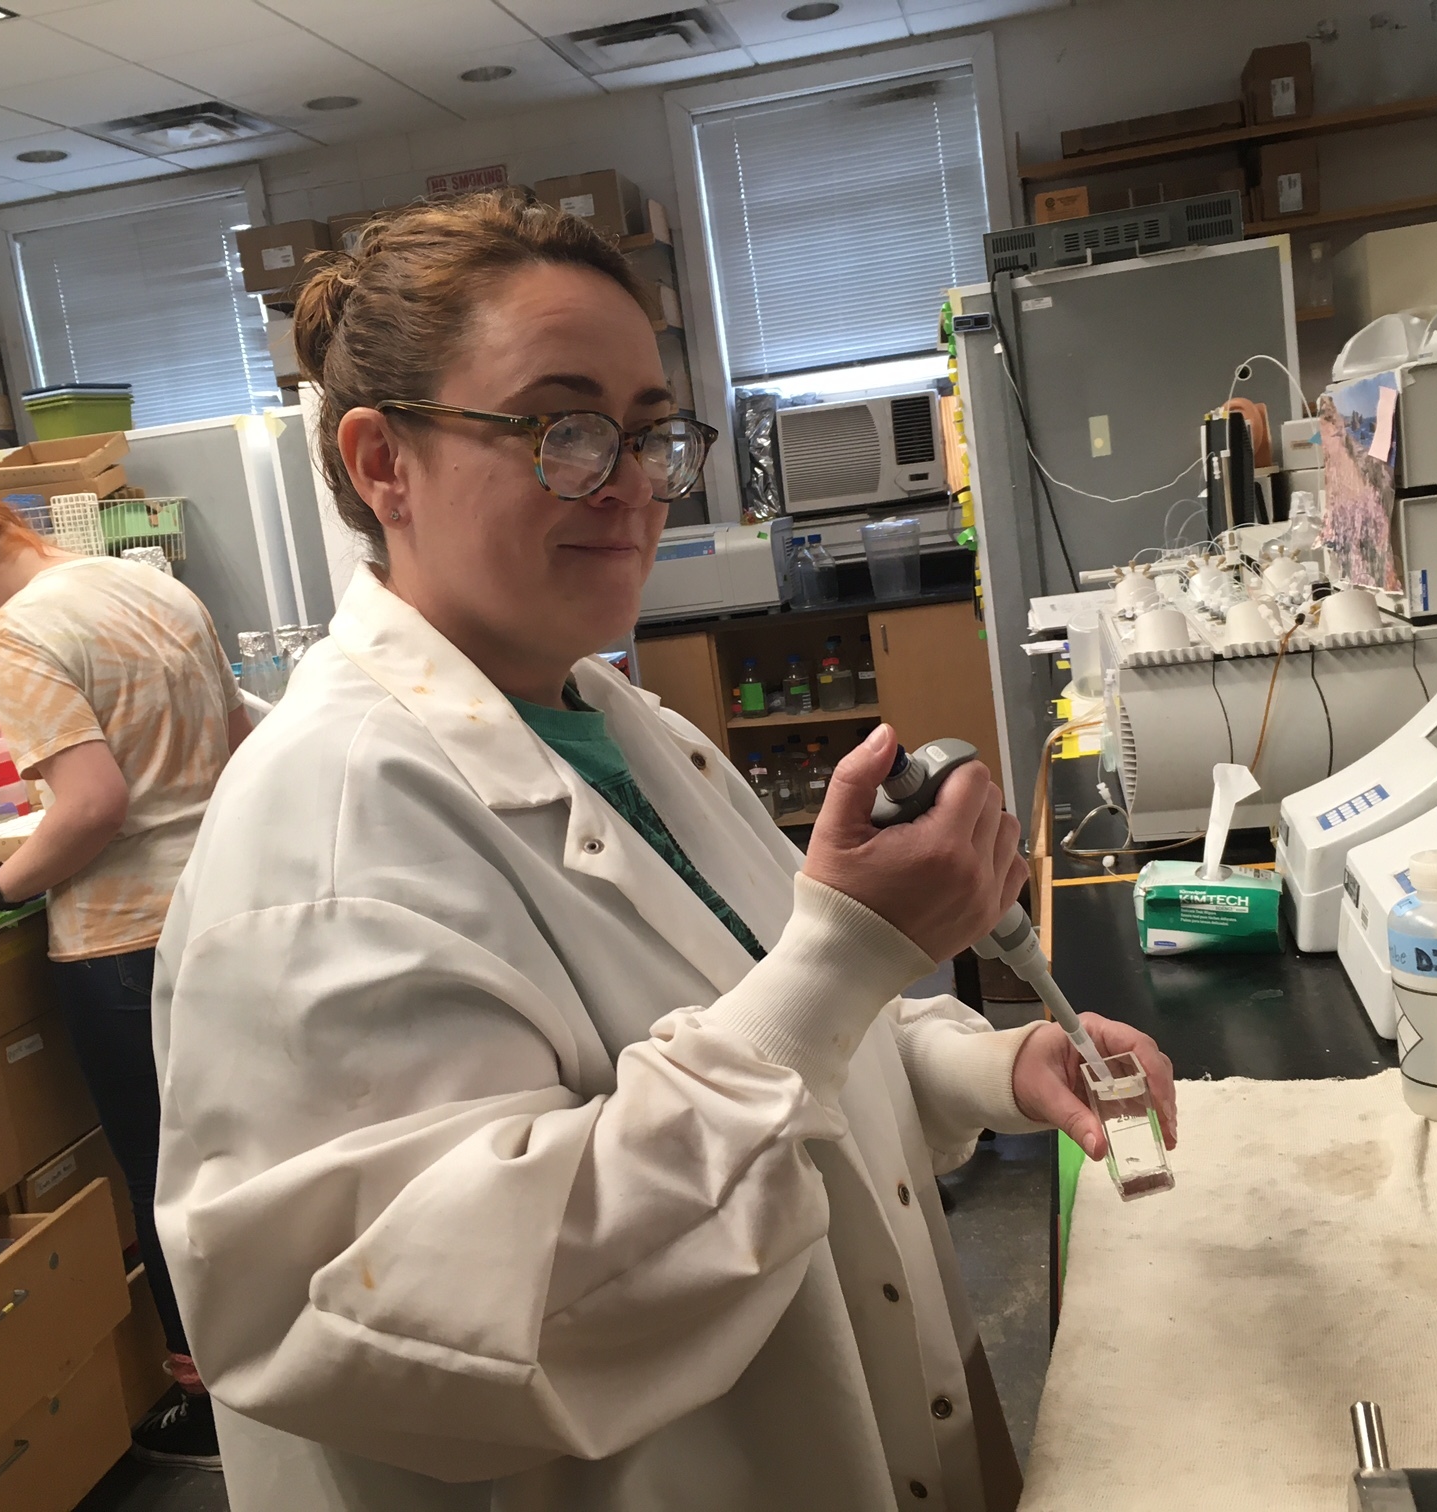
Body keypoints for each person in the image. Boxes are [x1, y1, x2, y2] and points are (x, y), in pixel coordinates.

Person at [151, 193, 1177, 1510]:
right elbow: (429, 1332)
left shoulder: (614, 721)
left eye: (648, 433)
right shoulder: (327, 831)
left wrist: (993, 1063)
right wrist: (844, 957)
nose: (633, 486)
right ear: (379, 463)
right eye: (563, 429)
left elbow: (777, 1038)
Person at [0, 468, 249, 1471]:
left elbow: (91, 807)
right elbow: (246, 739)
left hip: (122, 945)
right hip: (227, 914)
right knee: (244, 1156)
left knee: (165, 1179)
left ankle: (208, 1408)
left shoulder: (17, 633)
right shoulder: (149, 585)